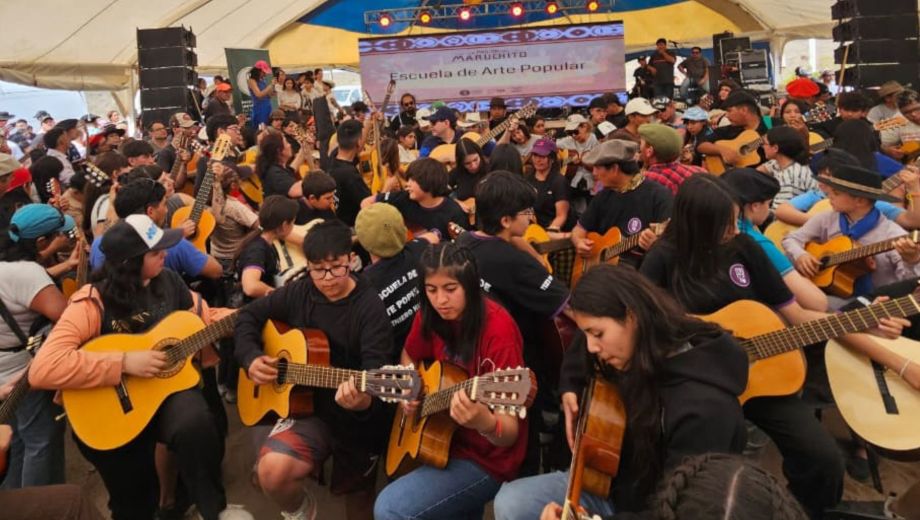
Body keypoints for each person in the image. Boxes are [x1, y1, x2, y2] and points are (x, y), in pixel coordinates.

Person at [640, 173, 917, 517]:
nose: (735, 230)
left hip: (760, 378)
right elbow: (646, 326)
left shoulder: (745, 247)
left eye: (735, 220)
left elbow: (798, 314)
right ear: (696, 224)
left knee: (824, 462)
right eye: (724, 224)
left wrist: (893, 356)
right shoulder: (663, 258)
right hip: (698, 385)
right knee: (716, 473)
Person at [28, 214, 248, 520]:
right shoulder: (91, 302)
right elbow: (43, 369)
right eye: (156, 252)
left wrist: (249, 315)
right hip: (108, 411)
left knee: (197, 426)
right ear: (130, 262)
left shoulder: (168, 281)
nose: (166, 256)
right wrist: (123, 362)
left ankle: (211, 507)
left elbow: (202, 318)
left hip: (161, 393)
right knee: (133, 500)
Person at [494, 264, 748, 519]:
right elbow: (584, 342)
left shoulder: (705, 412)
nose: (592, 347)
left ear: (632, 316)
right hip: (612, 485)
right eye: (588, 334)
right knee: (511, 501)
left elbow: (682, 511)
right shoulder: (635, 345)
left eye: (598, 334)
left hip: (652, 510)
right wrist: (569, 387)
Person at [234, 219, 394, 520]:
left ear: (351, 259)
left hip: (354, 420)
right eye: (318, 269)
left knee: (360, 505)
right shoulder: (300, 292)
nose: (328, 278)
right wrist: (251, 357)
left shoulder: (370, 309)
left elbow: (376, 372)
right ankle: (300, 509)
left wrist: (364, 400)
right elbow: (249, 317)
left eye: (336, 267)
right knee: (271, 473)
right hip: (306, 410)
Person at [374, 241, 527, 519]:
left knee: (389, 508)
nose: (440, 300)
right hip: (441, 437)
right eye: (431, 290)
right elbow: (408, 355)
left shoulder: (499, 330)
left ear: (470, 285)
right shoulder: (428, 315)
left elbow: (510, 433)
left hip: (486, 458)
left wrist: (485, 422)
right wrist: (412, 386)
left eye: (450, 289)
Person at [0, 204, 73, 490]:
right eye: (56, 235)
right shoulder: (28, 273)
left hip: (4, 370)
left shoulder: (6, 265)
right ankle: (42, 506)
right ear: (42, 242)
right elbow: (64, 314)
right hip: (23, 373)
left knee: (14, 442)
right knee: (41, 441)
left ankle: (16, 504)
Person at [783, 164, 920, 306]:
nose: (829, 196)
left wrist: (912, 261)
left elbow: (908, 285)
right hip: (824, 289)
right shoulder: (827, 218)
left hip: (873, 303)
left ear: (859, 201)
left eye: (836, 193)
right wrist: (801, 255)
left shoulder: (892, 234)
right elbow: (791, 238)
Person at [722, 168, 828, 311]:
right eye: (769, 204)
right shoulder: (755, 242)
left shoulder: (716, 227)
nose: (769, 209)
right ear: (755, 206)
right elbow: (817, 303)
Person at [89, 175, 223, 281]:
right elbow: (216, 271)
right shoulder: (176, 245)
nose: (166, 210)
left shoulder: (98, 244)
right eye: (164, 204)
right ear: (150, 211)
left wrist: (112, 206)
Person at [571, 140, 672, 269]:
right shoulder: (603, 196)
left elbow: (672, 246)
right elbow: (579, 229)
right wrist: (579, 241)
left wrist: (655, 246)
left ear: (614, 169)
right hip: (602, 275)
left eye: (597, 167)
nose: (594, 173)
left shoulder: (659, 196)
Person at [354, 203, 438, 353]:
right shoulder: (418, 250)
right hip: (433, 338)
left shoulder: (363, 287)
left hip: (399, 357)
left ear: (364, 242)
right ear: (403, 230)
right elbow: (433, 236)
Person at [366, 158, 468, 238]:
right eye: (408, 179)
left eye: (412, 180)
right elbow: (367, 202)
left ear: (428, 181)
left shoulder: (454, 213)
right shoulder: (404, 197)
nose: (407, 184)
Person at [697, 90, 769, 169]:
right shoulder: (728, 130)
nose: (726, 116)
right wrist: (723, 150)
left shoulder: (771, 124)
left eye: (729, 111)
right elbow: (700, 144)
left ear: (744, 110)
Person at [258, 131, 312, 223]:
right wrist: (316, 174)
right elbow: (296, 191)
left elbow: (293, 167)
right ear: (279, 151)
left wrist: (305, 146)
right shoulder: (274, 173)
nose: (290, 145)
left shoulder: (278, 167)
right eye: (286, 143)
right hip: (285, 221)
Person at [640, 123, 706, 195]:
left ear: (650, 151)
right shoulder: (699, 171)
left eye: (641, 144)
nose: (640, 149)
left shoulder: (647, 179)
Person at [758, 126, 814, 209]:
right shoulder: (779, 162)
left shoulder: (790, 176)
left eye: (764, 144)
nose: (763, 147)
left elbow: (779, 213)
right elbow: (757, 173)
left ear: (775, 148)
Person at [327, 120, 369, 227]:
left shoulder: (333, 157)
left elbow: (356, 148)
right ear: (359, 142)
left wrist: (369, 124)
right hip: (352, 229)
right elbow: (371, 204)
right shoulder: (350, 175)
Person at [526, 138, 572, 233]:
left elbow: (561, 216)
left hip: (553, 231)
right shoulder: (527, 179)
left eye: (542, 156)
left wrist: (548, 234)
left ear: (552, 159)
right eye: (535, 155)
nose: (538, 160)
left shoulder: (559, 181)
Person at [450, 138, 490, 213]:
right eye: (467, 163)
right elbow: (441, 190)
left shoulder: (491, 169)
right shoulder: (457, 173)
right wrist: (456, 202)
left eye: (475, 160)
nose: (473, 166)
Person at [881, 89, 920, 162]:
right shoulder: (895, 120)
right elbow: (883, 147)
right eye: (907, 112)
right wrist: (888, 151)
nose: (913, 114)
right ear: (900, 112)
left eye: (917, 109)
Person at [248, 60, 277, 129]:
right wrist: (271, 85)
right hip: (259, 109)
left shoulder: (263, 80)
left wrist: (273, 91)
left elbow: (268, 95)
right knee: (261, 129)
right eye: (263, 72)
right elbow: (259, 95)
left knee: (268, 128)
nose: (265, 74)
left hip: (267, 106)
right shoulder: (251, 81)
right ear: (258, 71)